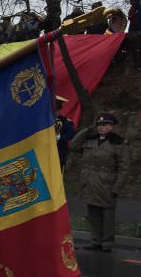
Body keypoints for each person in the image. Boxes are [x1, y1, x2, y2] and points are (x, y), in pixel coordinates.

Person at [69, 113, 130, 252]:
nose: (101, 128)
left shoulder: (119, 143)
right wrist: (87, 130)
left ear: (112, 127)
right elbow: (73, 145)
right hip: (89, 181)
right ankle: (95, 240)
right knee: (93, 214)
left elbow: (123, 169)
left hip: (107, 183)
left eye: (104, 125)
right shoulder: (91, 139)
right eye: (99, 125)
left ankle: (107, 243)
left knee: (107, 215)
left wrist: (117, 187)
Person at [53, 95, 75, 171]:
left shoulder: (66, 122)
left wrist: (59, 137)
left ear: (59, 110)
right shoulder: (43, 122)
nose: (55, 112)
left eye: (56, 110)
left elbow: (71, 135)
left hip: (59, 154)